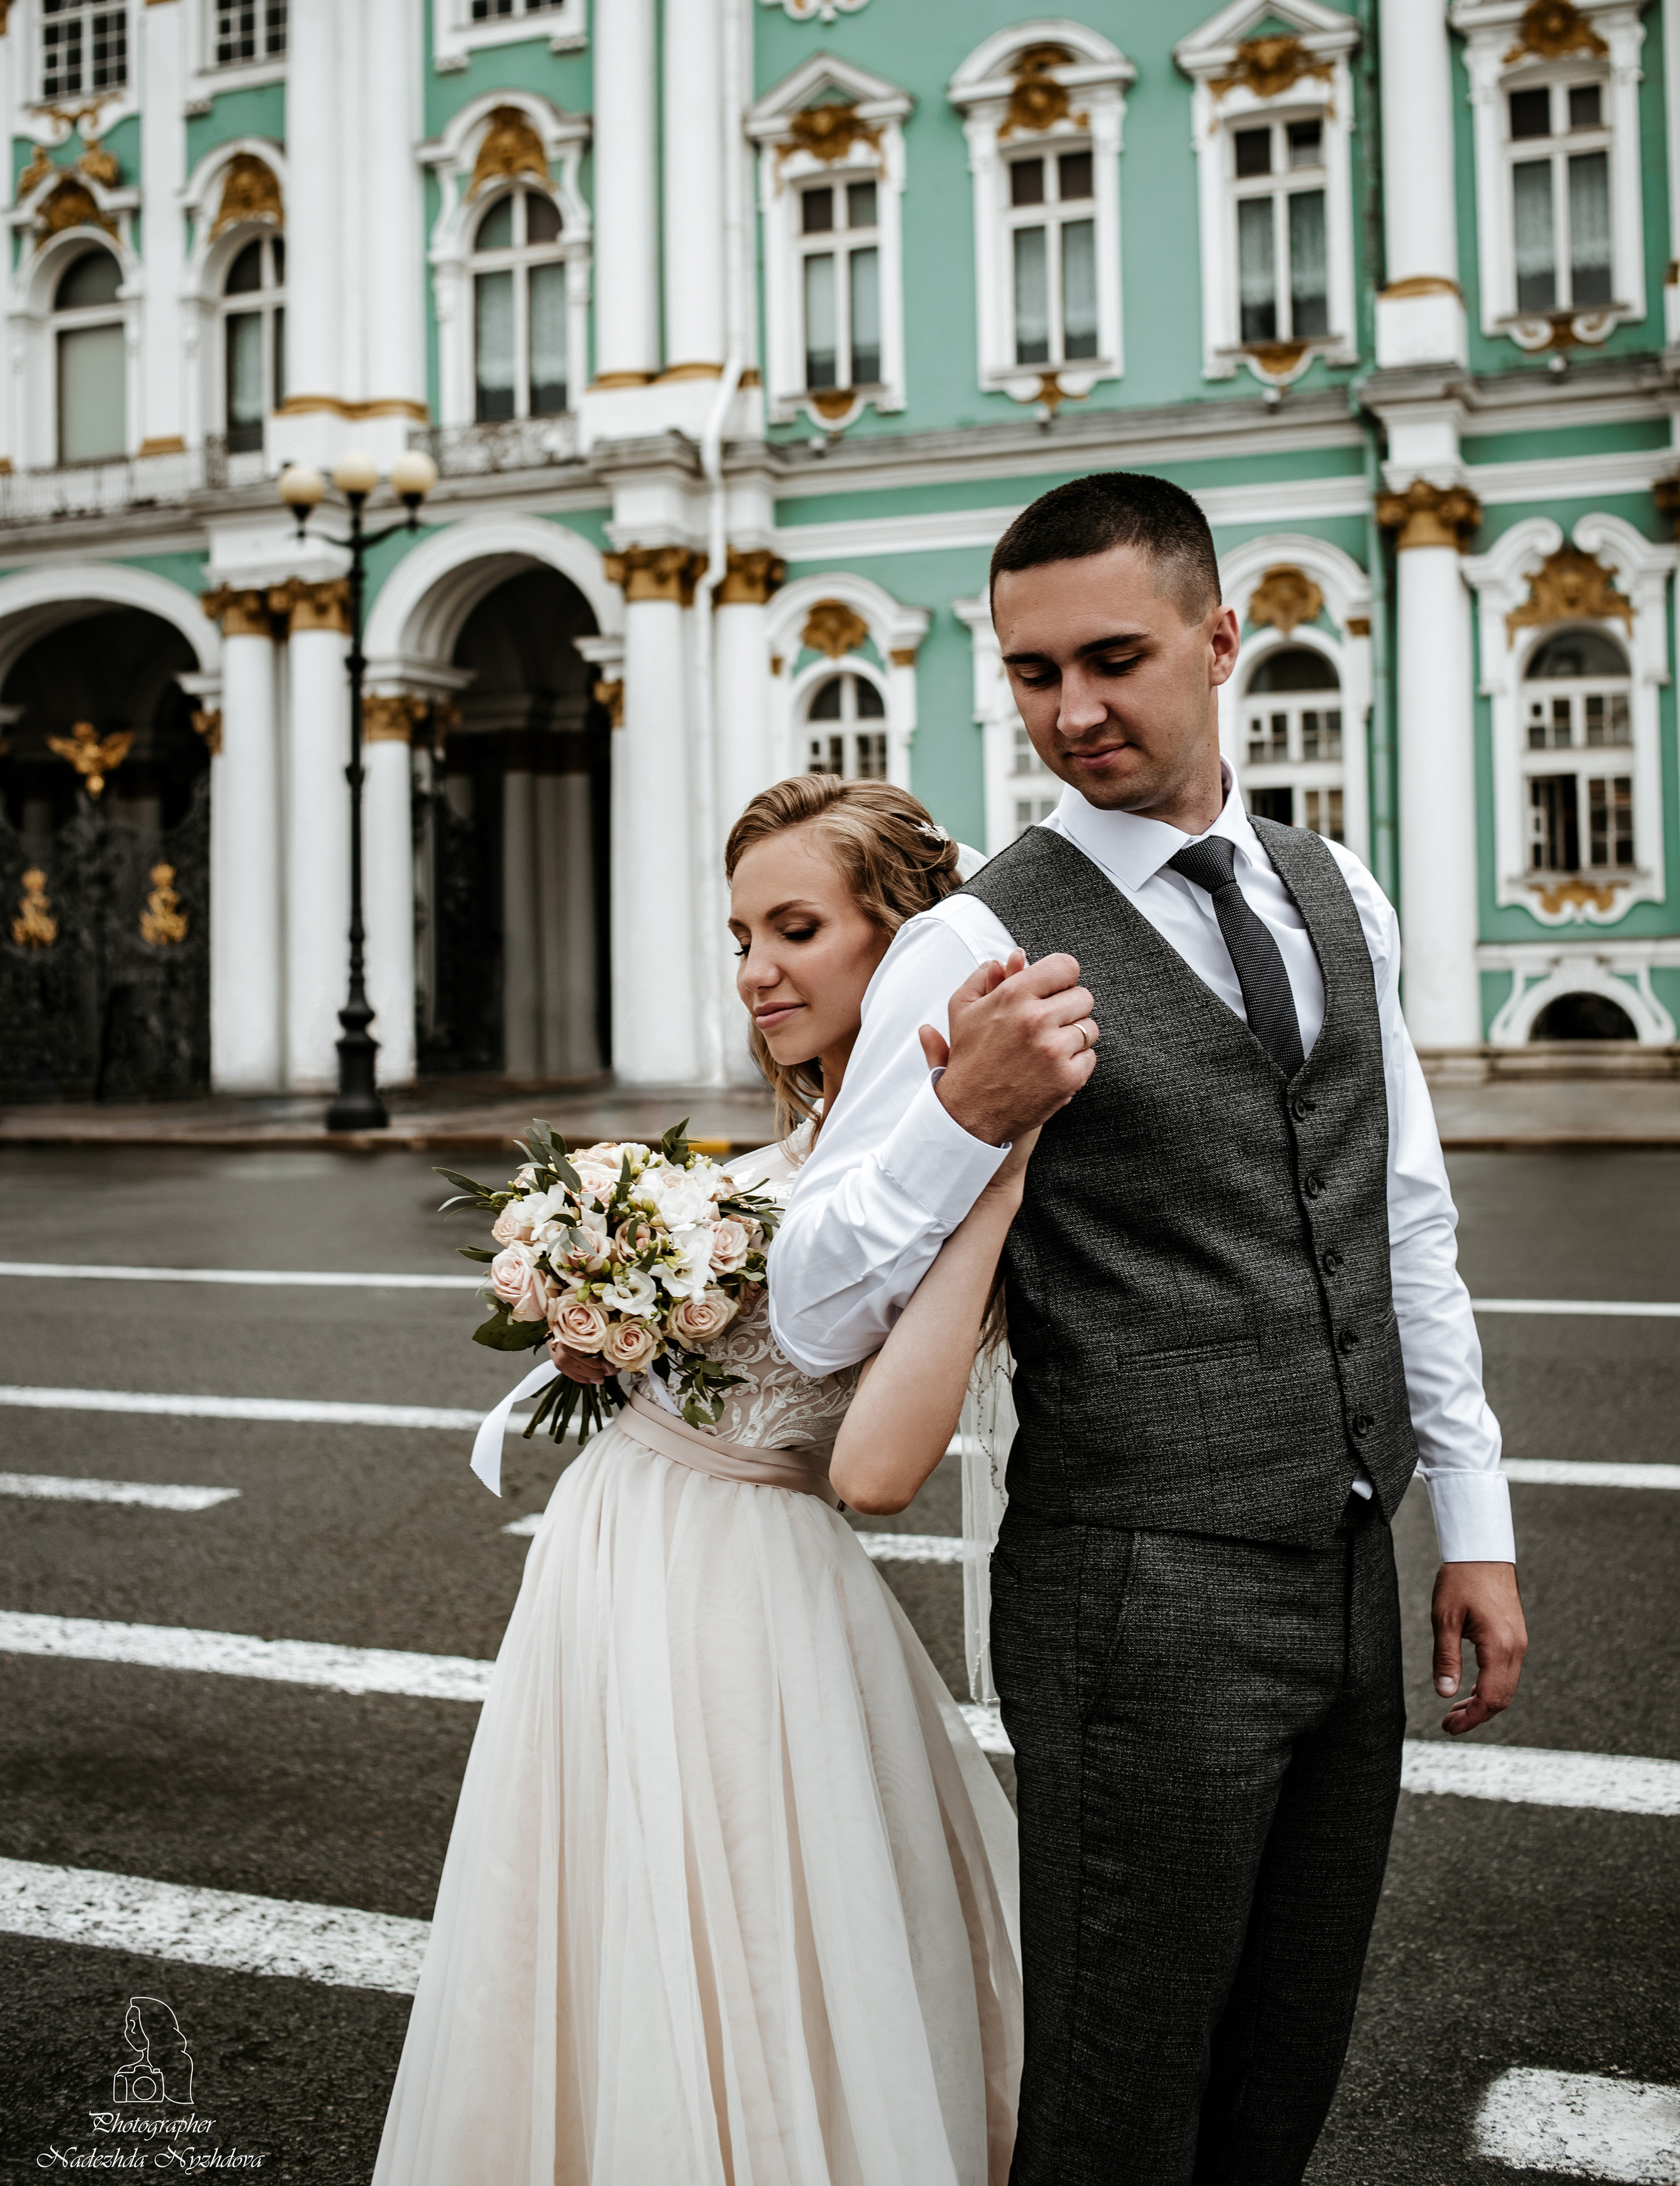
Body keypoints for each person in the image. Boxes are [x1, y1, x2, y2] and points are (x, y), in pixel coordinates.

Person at [768, 471, 1529, 2186]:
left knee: (1281, 2082)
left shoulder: (1338, 892)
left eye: (1113, 656)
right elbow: (811, 1294)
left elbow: (1403, 1219)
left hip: (1344, 1570)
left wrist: (1467, 1527)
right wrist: (969, 1110)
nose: (1072, 711)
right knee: (1118, 2111)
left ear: (1222, 637)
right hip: (1134, 1597)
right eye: (1034, 672)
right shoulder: (973, 935)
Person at [371, 775, 1033, 2186]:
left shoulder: (953, 1160)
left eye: (795, 927)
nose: (755, 972)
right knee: (602, 1944)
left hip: (740, 1594)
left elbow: (879, 1470)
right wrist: (597, 1306)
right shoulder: (820, 1147)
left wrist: (991, 1173)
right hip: (611, 1558)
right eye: (739, 936)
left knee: (742, 1944)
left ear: (898, 936)